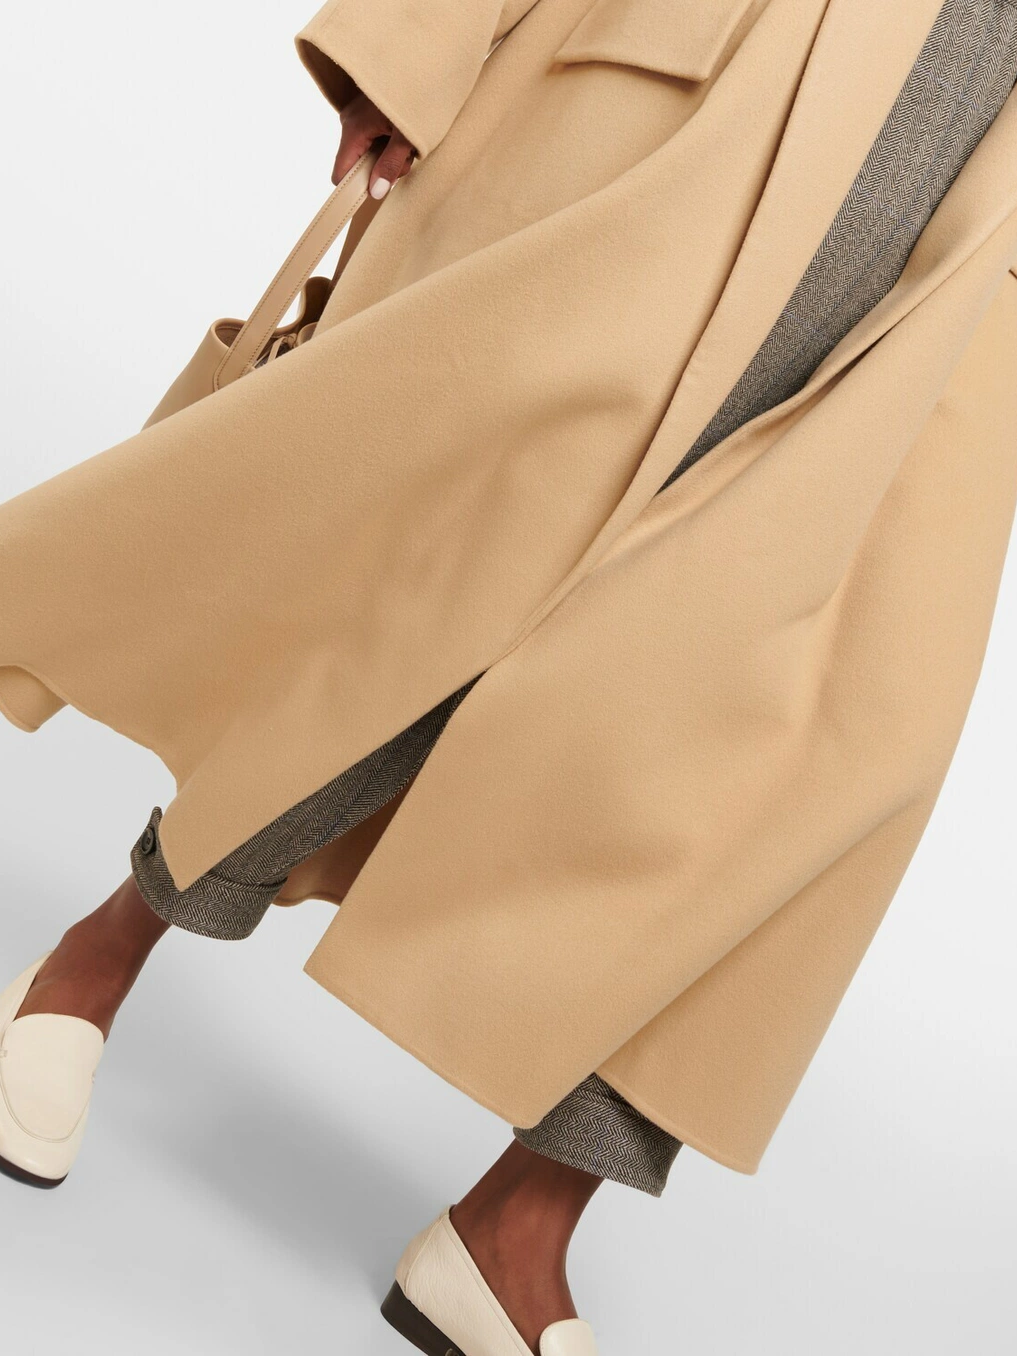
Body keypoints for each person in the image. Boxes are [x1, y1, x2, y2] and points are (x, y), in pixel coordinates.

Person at [2, 1, 1016, 1352]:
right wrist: (414, 45)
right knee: (459, 582)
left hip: (974, 238)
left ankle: (517, 1226)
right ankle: (98, 956)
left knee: (828, 758)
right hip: (716, 100)